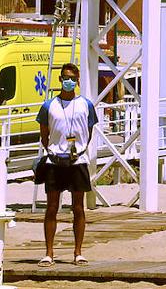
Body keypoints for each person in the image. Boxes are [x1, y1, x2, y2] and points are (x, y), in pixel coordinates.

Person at [37, 62, 98, 267]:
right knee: (52, 207)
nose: (69, 81)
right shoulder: (49, 105)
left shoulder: (86, 105)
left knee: (78, 207)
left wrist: (77, 150)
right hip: (54, 161)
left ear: (78, 80)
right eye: (65, 78)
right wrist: (53, 151)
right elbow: (44, 135)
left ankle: (78, 252)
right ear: (60, 79)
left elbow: (89, 132)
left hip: (78, 160)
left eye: (72, 78)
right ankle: (49, 253)